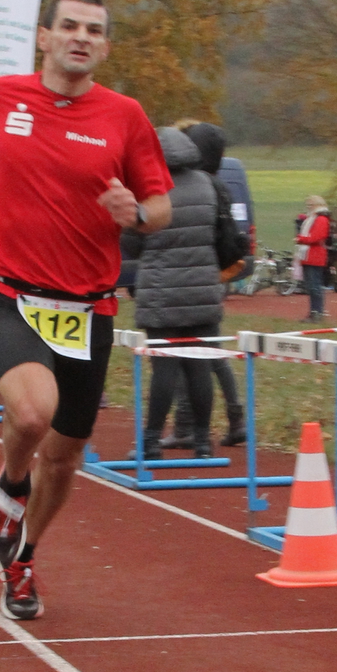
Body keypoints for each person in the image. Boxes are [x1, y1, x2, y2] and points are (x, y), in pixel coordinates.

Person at [0, 0, 172, 620]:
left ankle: (23, 557)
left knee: (65, 456)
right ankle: (9, 488)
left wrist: (135, 214)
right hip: (14, 294)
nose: (82, 37)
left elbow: (161, 207)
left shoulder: (125, 116)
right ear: (44, 38)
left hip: (90, 309)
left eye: (94, 30)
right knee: (31, 416)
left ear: (105, 47)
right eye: (70, 26)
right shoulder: (4, 96)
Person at [135, 128, 226, 460]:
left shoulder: (149, 188)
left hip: (161, 291)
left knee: (164, 368)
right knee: (200, 367)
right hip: (203, 287)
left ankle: (151, 442)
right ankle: (202, 442)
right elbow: (219, 233)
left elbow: (132, 240)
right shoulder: (206, 184)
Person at [162, 121, 248, 446]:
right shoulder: (219, 185)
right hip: (211, 275)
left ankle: (187, 426)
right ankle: (234, 417)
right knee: (210, 352)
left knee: (185, 353)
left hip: (191, 276)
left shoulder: (196, 185)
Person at [296, 195, 331, 321]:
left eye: (310, 205)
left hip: (315, 255)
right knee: (311, 286)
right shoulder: (312, 218)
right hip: (308, 255)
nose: (308, 207)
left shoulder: (321, 219)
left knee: (314, 286)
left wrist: (301, 239)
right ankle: (314, 311)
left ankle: (317, 312)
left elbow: (316, 237)